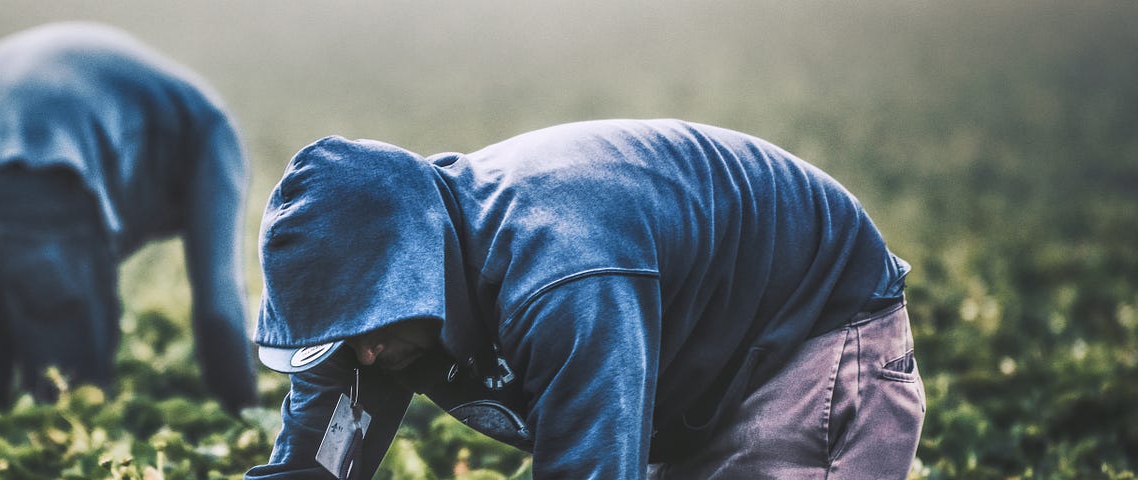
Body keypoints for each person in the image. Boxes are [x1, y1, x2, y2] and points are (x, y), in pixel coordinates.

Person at [246, 119, 923, 479]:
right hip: (693, 369)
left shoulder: (561, 277)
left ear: (415, 268)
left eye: (371, 320)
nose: (362, 351)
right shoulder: (370, 334)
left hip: (810, 329)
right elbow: (312, 472)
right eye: (340, 334)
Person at [0, 22, 255, 418]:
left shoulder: (160, 108)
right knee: (70, 411)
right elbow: (219, 307)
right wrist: (245, 414)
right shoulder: (216, 133)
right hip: (45, 164)